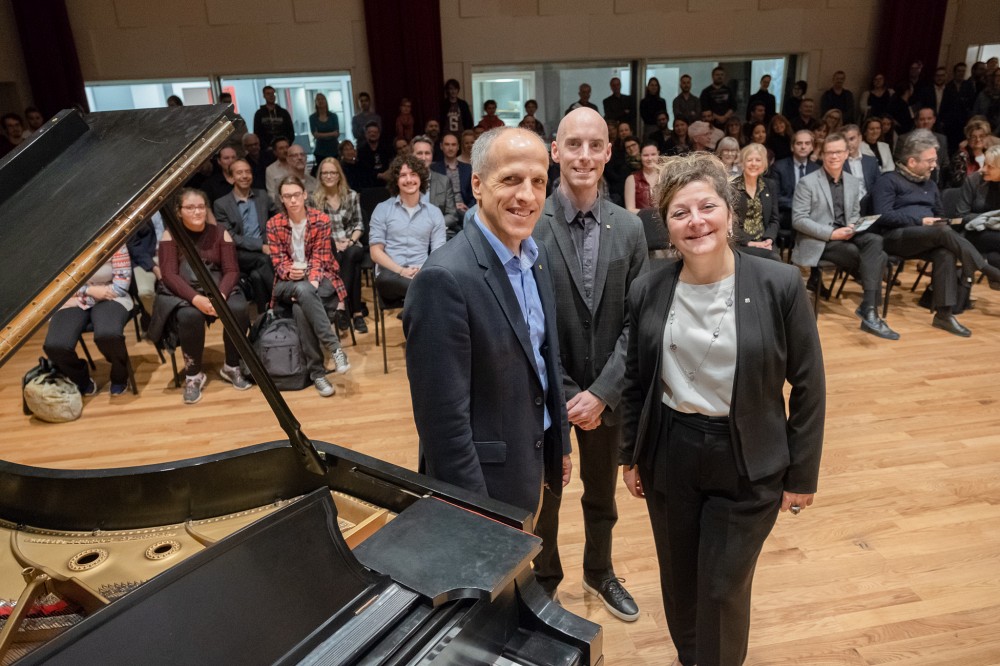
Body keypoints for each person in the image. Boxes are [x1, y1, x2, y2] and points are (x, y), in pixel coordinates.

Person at [620, 151, 825, 666]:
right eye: (680, 213)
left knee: (720, 589)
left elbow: (808, 383)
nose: (696, 222)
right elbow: (634, 379)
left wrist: (803, 474)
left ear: (729, 213)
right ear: (665, 225)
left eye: (706, 207)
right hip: (671, 451)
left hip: (747, 460)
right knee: (680, 583)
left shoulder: (777, 284)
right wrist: (630, 454)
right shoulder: (649, 287)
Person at [403, 126, 572, 518]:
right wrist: (477, 514)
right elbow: (443, 427)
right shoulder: (442, 279)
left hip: (535, 457)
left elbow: (545, 361)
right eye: (510, 179)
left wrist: (559, 442)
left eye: (538, 181)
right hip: (485, 488)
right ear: (477, 185)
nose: (527, 196)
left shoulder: (537, 255)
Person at [532, 107, 648, 623]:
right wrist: (566, 393)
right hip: (547, 394)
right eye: (572, 144)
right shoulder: (529, 222)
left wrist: (602, 392)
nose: (583, 155)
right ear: (555, 151)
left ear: (608, 152)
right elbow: (525, 322)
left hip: (610, 394)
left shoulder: (631, 228)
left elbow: (640, 323)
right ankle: (544, 579)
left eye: (594, 145)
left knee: (602, 495)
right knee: (547, 498)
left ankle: (599, 572)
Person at [871, 129, 1000, 336]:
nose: (935, 165)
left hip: (929, 237)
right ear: (912, 161)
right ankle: (985, 268)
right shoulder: (889, 181)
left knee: (945, 251)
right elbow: (883, 216)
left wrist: (937, 222)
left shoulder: (930, 184)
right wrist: (920, 220)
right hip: (897, 237)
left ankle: (944, 314)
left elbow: (940, 216)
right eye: (930, 160)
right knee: (942, 234)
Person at [149, 189, 251, 404]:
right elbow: (169, 275)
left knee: (239, 308)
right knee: (189, 316)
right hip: (186, 290)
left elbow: (232, 270)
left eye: (200, 207)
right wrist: (196, 299)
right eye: (190, 207)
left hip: (218, 288)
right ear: (179, 211)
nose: (196, 211)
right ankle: (193, 374)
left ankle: (231, 366)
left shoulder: (220, 232)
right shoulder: (171, 235)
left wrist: (221, 296)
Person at [793, 133, 897, 339]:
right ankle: (870, 312)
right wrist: (832, 233)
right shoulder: (808, 182)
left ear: (847, 154)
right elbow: (798, 219)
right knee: (878, 258)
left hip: (847, 234)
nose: (834, 156)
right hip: (820, 239)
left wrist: (853, 226)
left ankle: (868, 308)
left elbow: (855, 213)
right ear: (822, 155)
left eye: (838, 152)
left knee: (875, 240)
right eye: (829, 152)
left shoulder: (851, 181)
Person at [267, 176, 351, 397]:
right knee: (301, 291)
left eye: (296, 194)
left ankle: (317, 373)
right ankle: (335, 347)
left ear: (305, 195)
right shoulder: (274, 224)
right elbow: (278, 263)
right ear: (282, 199)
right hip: (286, 284)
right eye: (287, 196)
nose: (293, 200)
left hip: (319, 278)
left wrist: (310, 280)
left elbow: (320, 258)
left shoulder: (321, 219)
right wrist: (290, 272)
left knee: (300, 306)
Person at [44, 245, 133, 397]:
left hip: (110, 296)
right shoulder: (60, 244)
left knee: (108, 334)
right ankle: (81, 380)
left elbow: (121, 284)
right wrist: (89, 291)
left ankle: (120, 376)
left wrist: (89, 294)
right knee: (55, 345)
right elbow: (58, 282)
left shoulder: (114, 241)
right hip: (71, 300)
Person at [369, 155, 447, 304]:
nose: (409, 180)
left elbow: (439, 252)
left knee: (439, 278)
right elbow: (375, 252)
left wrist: (422, 271)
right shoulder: (382, 209)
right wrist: (401, 271)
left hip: (423, 273)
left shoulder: (434, 212)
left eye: (413, 174)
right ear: (396, 181)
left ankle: (412, 309)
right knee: (388, 278)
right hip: (391, 276)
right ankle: (422, 298)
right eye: (403, 175)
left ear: (421, 178)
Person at [214, 158, 276, 312]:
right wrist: (261, 247)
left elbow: (278, 216)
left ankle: (265, 315)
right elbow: (231, 237)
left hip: (264, 250)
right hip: (238, 253)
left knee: (256, 276)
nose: (245, 176)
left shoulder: (262, 196)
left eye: (248, 172)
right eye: (239, 172)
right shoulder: (221, 204)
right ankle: (281, 299)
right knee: (263, 260)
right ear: (230, 178)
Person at [313, 157, 367, 333]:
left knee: (351, 254)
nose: (329, 176)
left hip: (352, 243)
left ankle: (341, 304)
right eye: (325, 172)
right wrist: (335, 244)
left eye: (333, 172)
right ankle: (357, 313)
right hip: (329, 247)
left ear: (339, 175)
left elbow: (359, 224)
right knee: (354, 266)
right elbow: (316, 230)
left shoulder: (351, 195)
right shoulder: (315, 200)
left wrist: (350, 241)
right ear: (320, 176)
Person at [731, 143, 780, 260]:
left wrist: (769, 239)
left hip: (765, 241)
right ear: (742, 163)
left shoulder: (770, 185)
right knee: (772, 258)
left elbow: (774, 219)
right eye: (749, 160)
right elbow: (730, 223)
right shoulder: (732, 187)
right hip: (741, 243)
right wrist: (750, 243)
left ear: (764, 165)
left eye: (758, 160)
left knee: (776, 262)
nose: (753, 164)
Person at [955, 144, 1000, 270]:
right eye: (984, 163)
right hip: (973, 231)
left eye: (990, 166)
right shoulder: (974, 180)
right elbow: (960, 216)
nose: (983, 169)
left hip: (996, 235)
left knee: (995, 258)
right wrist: (989, 220)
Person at [411, 135, 460, 237]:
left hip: (438, 234)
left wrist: (431, 226)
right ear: (411, 156)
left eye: (427, 153)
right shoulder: (404, 181)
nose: (423, 158)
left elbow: (452, 216)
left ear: (432, 155)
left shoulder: (443, 181)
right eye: (419, 153)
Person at [773, 130, 821, 228]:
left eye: (807, 143)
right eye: (799, 143)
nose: (803, 147)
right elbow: (775, 197)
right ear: (792, 147)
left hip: (811, 215)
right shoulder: (779, 167)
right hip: (787, 214)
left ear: (812, 147)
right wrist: (799, 206)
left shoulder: (817, 170)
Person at [432, 132, 474, 220]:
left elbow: (473, 195)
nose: (450, 148)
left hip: (464, 210)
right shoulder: (434, 169)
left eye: (453, 145)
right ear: (441, 146)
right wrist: (453, 205)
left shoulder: (468, 169)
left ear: (458, 147)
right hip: (443, 211)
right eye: (447, 144)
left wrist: (468, 207)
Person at [949, 118, 992, 187]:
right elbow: (958, 182)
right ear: (968, 139)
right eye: (973, 137)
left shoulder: (991, 155)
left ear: (987, 137)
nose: (978, 140)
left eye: (981, 136)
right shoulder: (961, 156)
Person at [841, 124, 880, 198]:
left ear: (860, 138)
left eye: (852, 139)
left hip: (868, 203)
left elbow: (878, 185)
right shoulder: (839, 162)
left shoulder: (871, 161)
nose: (848, 143)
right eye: (845, 140)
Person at [253, 86, 294, 153]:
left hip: (283, 149)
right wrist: (265, 147)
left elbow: (290, 131)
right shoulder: (259, 114)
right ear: (264, 96)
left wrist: (285, 145)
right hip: (266, 150)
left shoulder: (284, 113)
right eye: (268, 94)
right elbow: (257, 133)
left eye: (273, 93)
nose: (271, 96)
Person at [625, 139, 661, 212]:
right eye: (645, 155)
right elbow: (630, 209)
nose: (649, 158)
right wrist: (651, 215)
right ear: (640, 156)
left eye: (653, 154)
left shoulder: (666, 177)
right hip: (641, 221)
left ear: (658, 154)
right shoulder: (632, 179)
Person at [356, 121, 394, 189]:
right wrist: (380, 175)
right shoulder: (361, 151)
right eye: (370, 132)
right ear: (366, 134)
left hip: (387, 183)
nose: (373, 134)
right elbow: (363, 170)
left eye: (375, 132)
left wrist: (388, 172)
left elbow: (392, 161)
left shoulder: (387, 147)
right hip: (369, 185)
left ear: (379, 134)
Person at [309, 93, 340, 173]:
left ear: (326, 101)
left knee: (335, 171)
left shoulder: (333, 116)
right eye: (318, 99)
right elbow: (315, 135)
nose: (320, 101)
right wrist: (331, 134)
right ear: (315, 102)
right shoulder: (312, 118)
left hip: (334, 150)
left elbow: (336, 133)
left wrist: (321, 135)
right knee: (322, 172)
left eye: (322, 99)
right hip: (320, 151)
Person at [264, 136, 293, 204]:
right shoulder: (270, 170)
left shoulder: (297, 164)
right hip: (281, 205)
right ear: (275, 152)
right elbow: (271, 194)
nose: (285, 150)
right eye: (281, 148)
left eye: (287, 147)